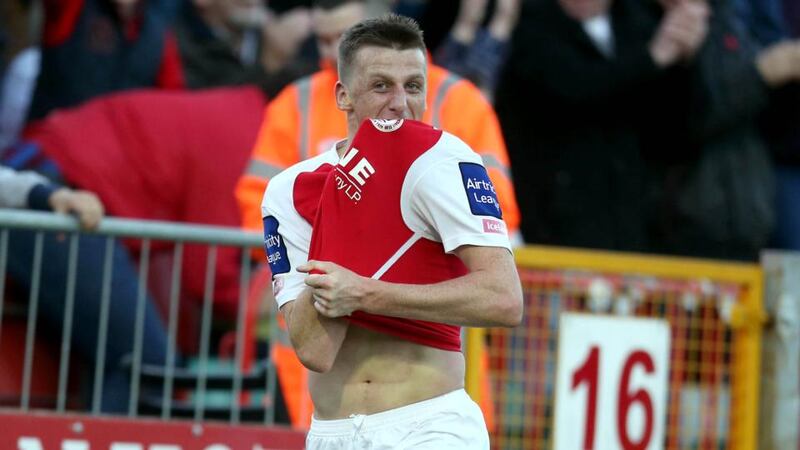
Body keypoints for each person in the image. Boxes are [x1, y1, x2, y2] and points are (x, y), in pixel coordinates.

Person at [260, 14, 522, 449]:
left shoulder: (447, 161)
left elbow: (505, 300)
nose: (401, 102)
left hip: (430, 424)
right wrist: (353, 202)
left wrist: (364, 294)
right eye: (382, 86)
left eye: (414, 86)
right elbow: (314, 350)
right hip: (332, 431)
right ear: (343, 96)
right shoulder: (290, 190)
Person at [235, 0, 521, 247]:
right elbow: (259, 211)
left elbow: (496, 214)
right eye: (323, 40)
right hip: (319, 289)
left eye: (346, 38)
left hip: (424, 298)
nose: (333, 53)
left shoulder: (459, 101)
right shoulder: (296, 101)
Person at [494, 0, 709, 252]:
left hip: (634, 229)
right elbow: (572, 88)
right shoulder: (528, 21)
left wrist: (684, 59)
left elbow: (680, 128)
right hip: (552, 231)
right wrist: (653, 57)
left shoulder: (639, 21)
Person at [0, 165, 171, 413]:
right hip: (52, 182)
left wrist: (44, 193)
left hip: (48, 184)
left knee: (141, 361)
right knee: (143, 362)